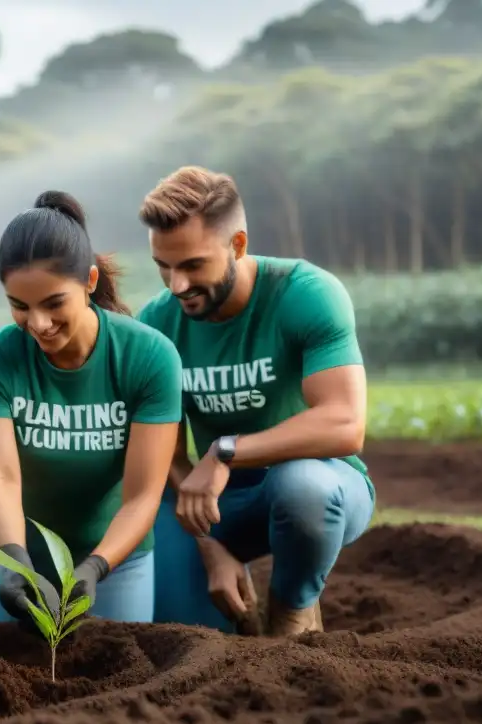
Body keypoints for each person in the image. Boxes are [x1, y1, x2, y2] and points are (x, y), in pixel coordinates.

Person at [135, 166, 375, 637]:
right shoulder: (157, 324)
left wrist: (226, 451)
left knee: (303, 488)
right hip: (212, 507)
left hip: (318, 487)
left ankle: (293, 610)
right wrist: (208, 543)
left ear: (238, 245)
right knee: (187, 632)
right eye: (163, 266)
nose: (176, 285)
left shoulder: (305, 294)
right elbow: (162, 449)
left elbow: (345, 424)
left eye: (192, 266)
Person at [0, 191, 184, 627]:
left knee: (121, 680)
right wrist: (12, 564)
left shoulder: (148, 356)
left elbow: (141, 496)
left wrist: (95, 567)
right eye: (19, 306)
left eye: (53, 303)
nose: (38, 325)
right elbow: (0, 477)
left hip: (116, 561)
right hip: (26, 560)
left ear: (89, 280)